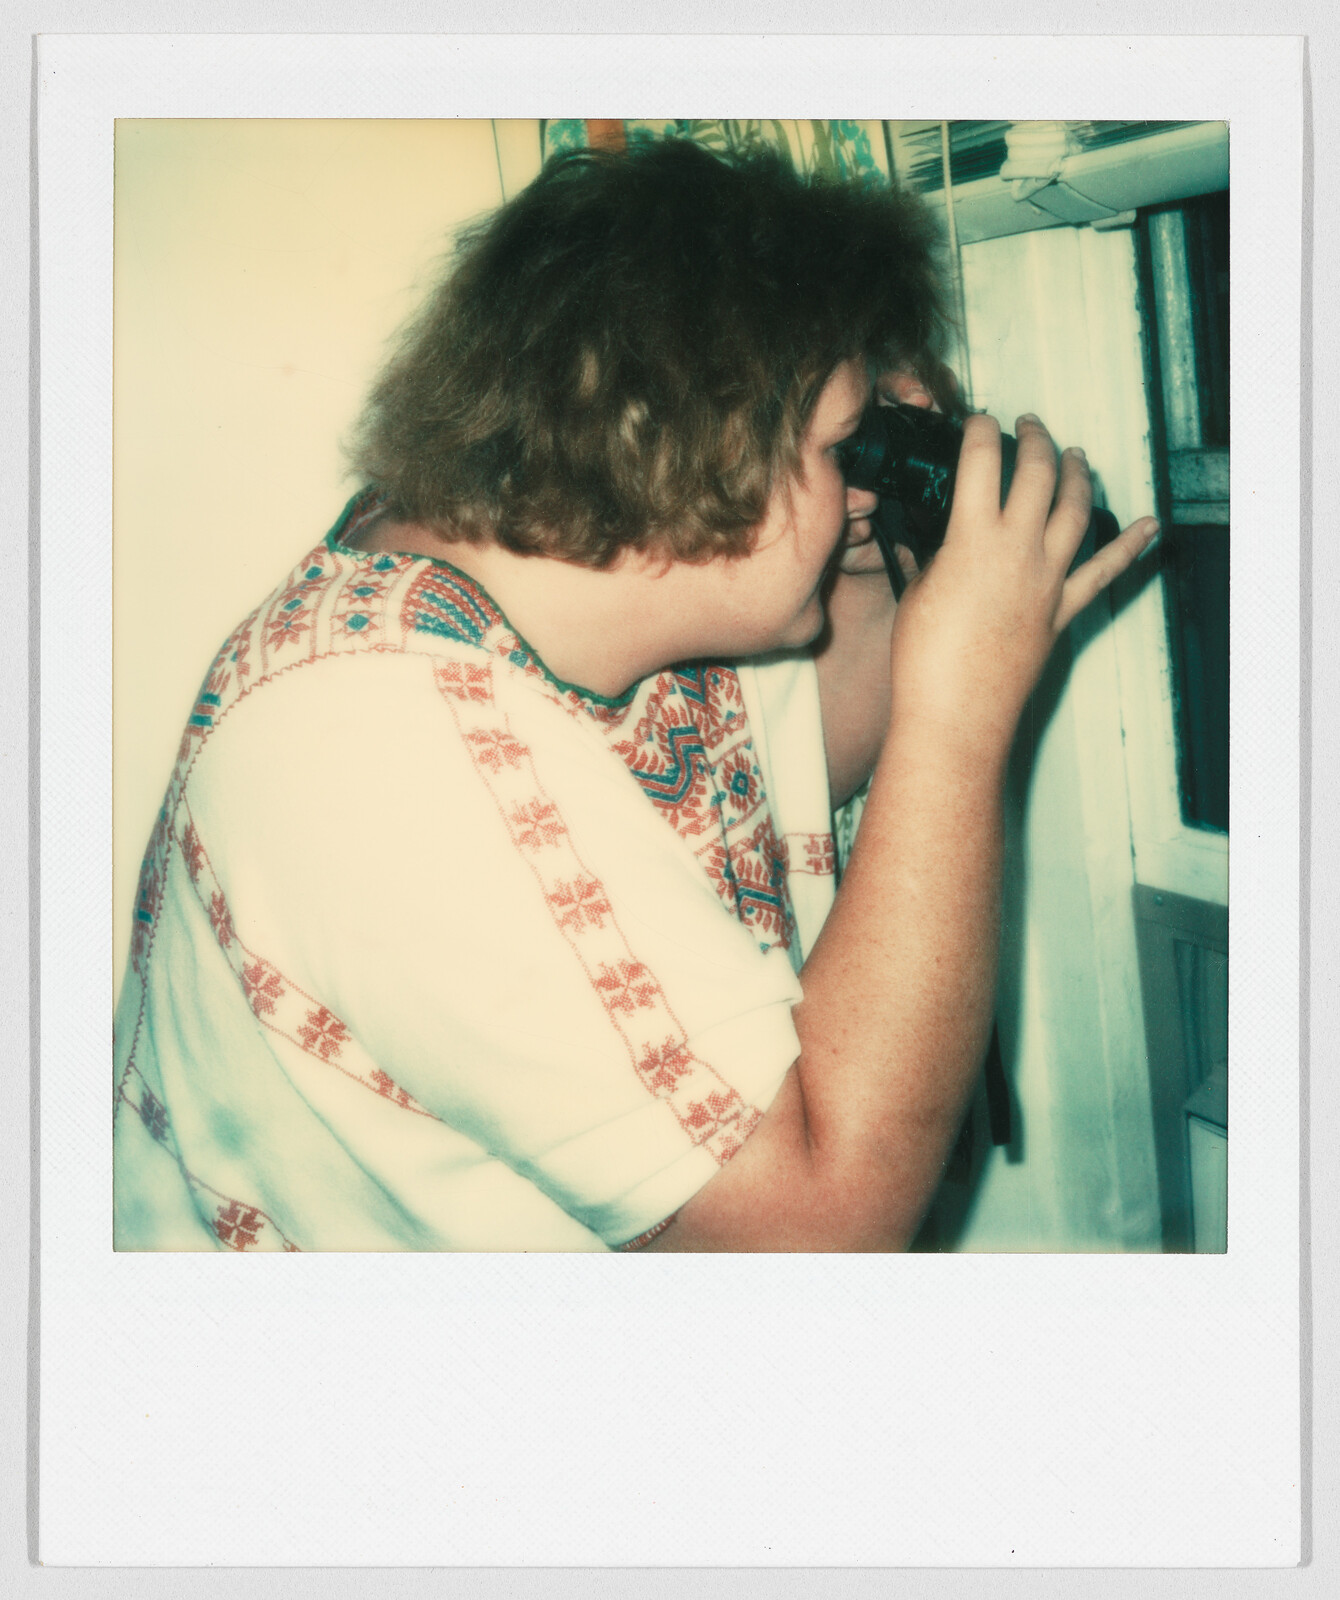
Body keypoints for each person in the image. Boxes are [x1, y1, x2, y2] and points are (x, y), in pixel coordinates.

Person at [113, 139, 1157, 1253]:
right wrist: (963, 716)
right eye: (840, 444)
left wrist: (910, 537)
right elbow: (808, 1237)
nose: (857, 474)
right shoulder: (381, 763)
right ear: (681, 442)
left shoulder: (528, 570)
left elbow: (795, 771)